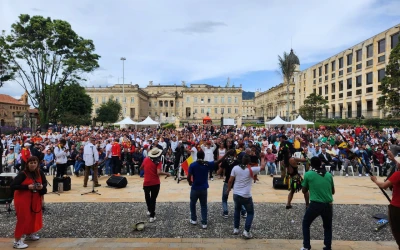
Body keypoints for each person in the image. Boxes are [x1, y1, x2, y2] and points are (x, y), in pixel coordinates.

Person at [10, 156, 47, 249]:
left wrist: (42, 187)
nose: (33, 164)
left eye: (35, 162)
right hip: (22, 199)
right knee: (22, 219)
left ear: (38, 163)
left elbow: (45, 183)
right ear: (27, 164)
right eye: (31, 163)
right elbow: (13, 185)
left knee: (32, 217)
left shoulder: (40, 172)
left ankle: (29, 234)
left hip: (34, 199)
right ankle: (17, 241)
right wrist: (27, 187)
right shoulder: (23, 174)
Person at [187, 150, 229, 229]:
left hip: (195, 187)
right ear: (203, 156)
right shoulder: (206, 164)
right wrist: (226, 154)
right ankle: (204, 222)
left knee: (193, 203)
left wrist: (190, 182)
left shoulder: (193, 165)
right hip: (204, 188)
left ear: (197, 156)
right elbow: (218, 161)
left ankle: (193, 219)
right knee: (203, 205)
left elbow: (188, 176)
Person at [226, 154, 266, 239]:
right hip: (246, 195)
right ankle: (246, 231)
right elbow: (262, 167)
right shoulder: (251, 169)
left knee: (237, 209)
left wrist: (228, 190)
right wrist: (262, 157)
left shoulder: (235, 168)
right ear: (249, 162)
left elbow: (230, 181)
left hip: (236, 193)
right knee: (250, 212)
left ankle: (236, 229)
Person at [301, 157, 335, 250]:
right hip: (328, 204)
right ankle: (328, 246)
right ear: (320, 164)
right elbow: (333, 191)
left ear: (311, 165)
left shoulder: (308, 174)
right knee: (327, 226)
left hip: (315, 204)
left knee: (306, 223)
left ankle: (306, 246)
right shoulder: (328, 175)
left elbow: (304, 190)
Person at [370, 151, 400, 249]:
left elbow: (384, 185)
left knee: (397, 230)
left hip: (396, 207)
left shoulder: (397, 174)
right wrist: (393, 158)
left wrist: (375, 180)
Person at [140, 147, 170, 223]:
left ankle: (149, 210)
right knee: (153, 199)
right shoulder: (158, 162)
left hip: (146, 182)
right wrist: (167, 173)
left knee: (147, 197)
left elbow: (141, 168)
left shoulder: (146, 159)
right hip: (155, 183)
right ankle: (152, 216)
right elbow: (158, 172)